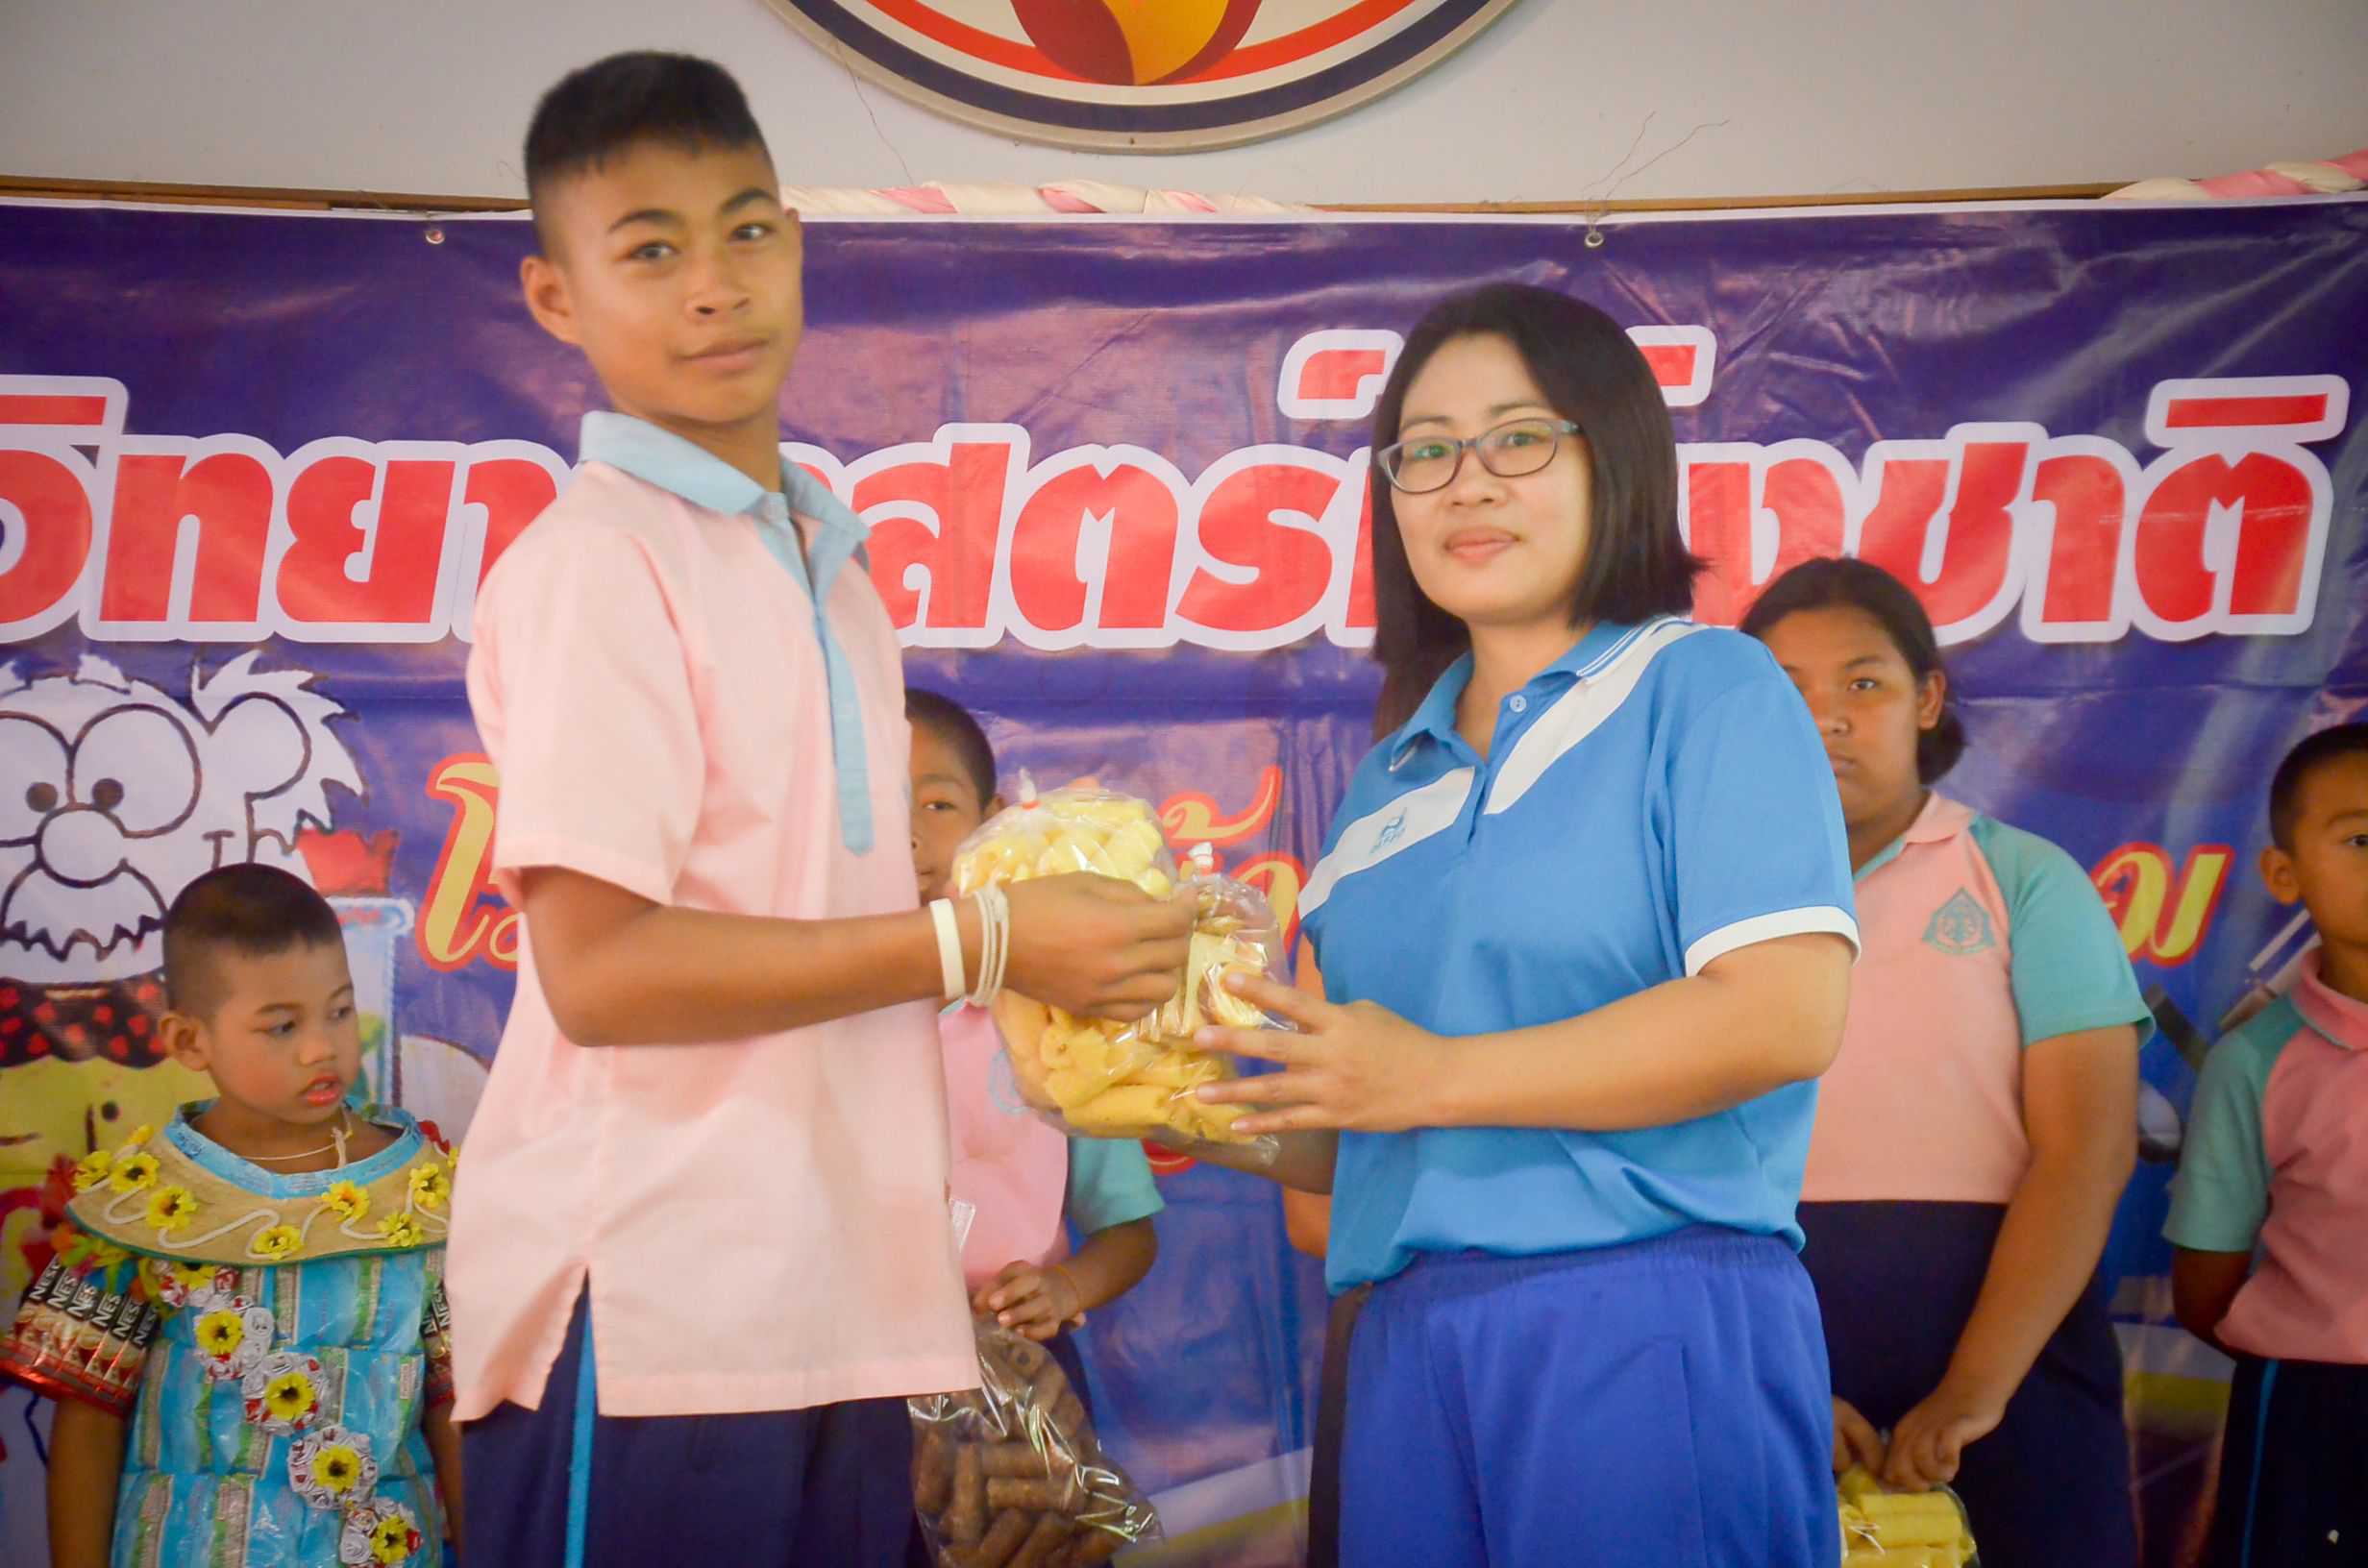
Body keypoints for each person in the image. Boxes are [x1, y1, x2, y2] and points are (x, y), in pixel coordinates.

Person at [448, 52, 1195, 1567]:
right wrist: (984, 941)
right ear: (555, 298)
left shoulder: (831, 568)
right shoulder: (598, 563)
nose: (713, 286)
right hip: (652, 1313)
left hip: (841, 1313)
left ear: (795, 241)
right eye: (649, 249)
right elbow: (600, 974)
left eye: (746, 229)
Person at [1191, 282, 1859, 1568]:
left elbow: (1783, 1016)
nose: (1467, 484)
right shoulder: (1385, 784)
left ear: (1615, 458)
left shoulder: (1704, 685)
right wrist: (1160, 1096)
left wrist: (1428, 1076)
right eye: (1426, 452)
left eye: (1516, 438)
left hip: (1645, 1322)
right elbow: (1354, 1130)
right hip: (1402, 1343)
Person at [1743, 557, 2146, 1565]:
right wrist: (1775, 1373)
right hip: (1763, 1327)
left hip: (2012, 1336)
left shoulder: (2022, 878)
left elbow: (2087, 1152)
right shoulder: (1699, 901)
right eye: (1786, 691)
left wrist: (1975, 1388)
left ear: (1926, 698)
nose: (1826, 718)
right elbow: (1657, 1156)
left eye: (1863, 682)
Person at [1, 863, 459, 1568]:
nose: (321, 1046)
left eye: (339, 1011)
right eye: (282, 1026)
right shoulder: (134, 1205)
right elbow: (87, 1423)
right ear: (190, 1041)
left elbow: (455, 1411)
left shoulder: (424, 1192)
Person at [905, 689, 1162, 1367]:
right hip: (855, 1374)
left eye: (937, 805)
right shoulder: (812, 1019)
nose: (907, 834)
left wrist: (1063, 1288)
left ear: (993, 821)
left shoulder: (1048, 1017)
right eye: (875, 807)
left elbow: (1130, 1232)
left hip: (1022, 1364)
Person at [2167, 722, 2368, 1567]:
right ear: (2284, 874)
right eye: (2362, 840)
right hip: (2314, 1414)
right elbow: (2204, 1293)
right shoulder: (2256, 1061)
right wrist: (2322, 1339)